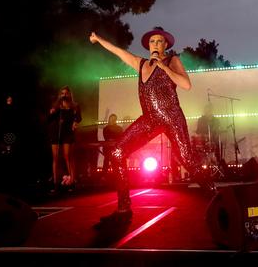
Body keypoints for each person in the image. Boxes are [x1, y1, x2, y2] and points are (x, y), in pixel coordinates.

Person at [90, 27, 216, 224]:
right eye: (152, 42)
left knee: (186, 159)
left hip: (172, 116)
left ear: (165, 45)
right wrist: (99, 39)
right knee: (116, 153)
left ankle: (216, 196)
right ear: (148, 45)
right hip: (150, 118)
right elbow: (118, 51)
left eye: (159, 42)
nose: (155, 45)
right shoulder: (140, 64)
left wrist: (164, 67)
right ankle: (124, 209)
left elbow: (186, 85)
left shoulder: (172, 60)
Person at [48, 86, 82, 193]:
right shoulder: (57, 106)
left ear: (69, 94)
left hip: (68, 133)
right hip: (56, 133)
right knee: (55, 158)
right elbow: (50, 119)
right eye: (62, 93)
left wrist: (75, 123)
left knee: (67, 156)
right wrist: (52, 112)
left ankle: (71, 181)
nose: (64, 95)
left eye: (66, 93)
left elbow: (79, 118)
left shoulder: (74, 106)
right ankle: (55, 183)